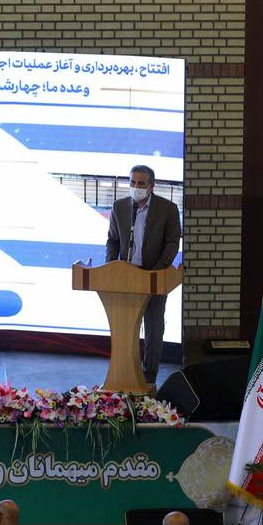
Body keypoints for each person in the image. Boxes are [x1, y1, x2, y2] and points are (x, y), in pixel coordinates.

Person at [104, 164, 182, 384]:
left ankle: (148, 379)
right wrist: (111, 267)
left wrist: (157, 271)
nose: (136, 187)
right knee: (125, 330)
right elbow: (113, 240)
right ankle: (124, 375)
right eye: (132, 182)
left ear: (151, 186)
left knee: (154, 331)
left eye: (141, 183)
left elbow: (172, 242)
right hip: (125, 279)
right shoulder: (119, 207)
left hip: (153, 277)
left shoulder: (167, 209)